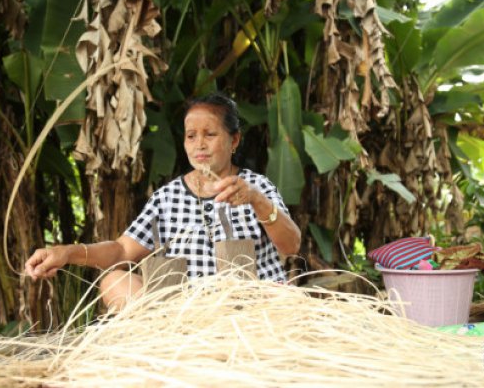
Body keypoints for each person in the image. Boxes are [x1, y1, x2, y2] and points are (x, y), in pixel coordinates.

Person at [25, 93, 301, 309]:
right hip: (186, 314)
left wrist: (256, 201)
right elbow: (121, 251)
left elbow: (291, 246)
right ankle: (178, 334)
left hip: (252, 307)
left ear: (235, 140)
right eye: (191, 136)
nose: (199, 144)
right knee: (113, 282)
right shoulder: (168, 198)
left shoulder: (257, 187)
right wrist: (67, 253)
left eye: (210, 134)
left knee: (285, 296)